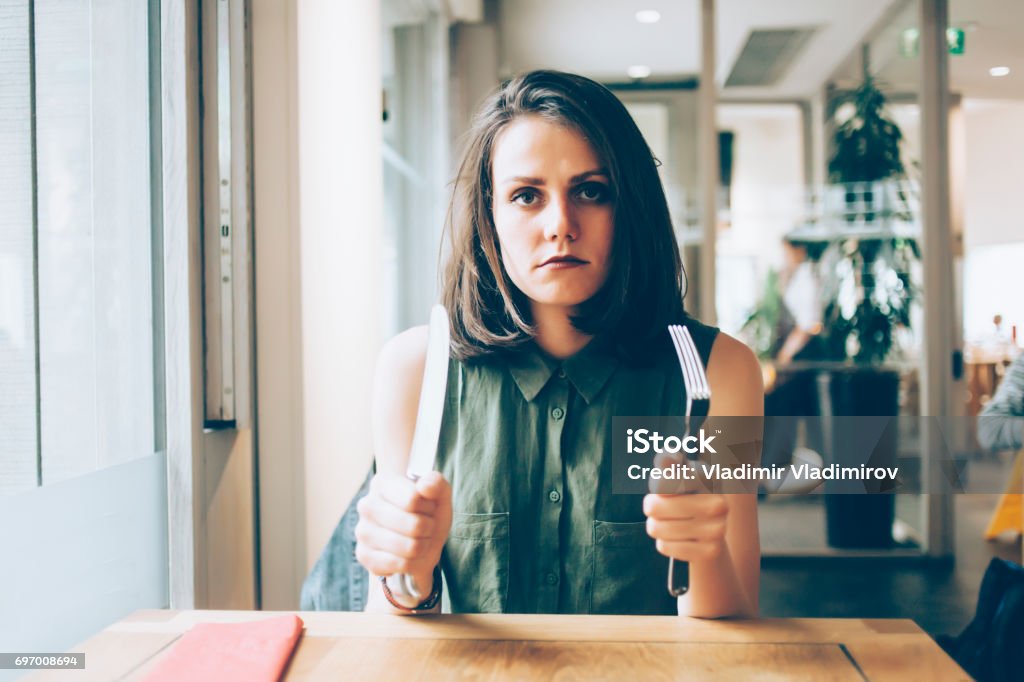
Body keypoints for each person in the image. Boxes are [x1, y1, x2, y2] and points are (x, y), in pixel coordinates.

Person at [355, 70, 762, 618]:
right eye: (526, 196)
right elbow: (389, 632)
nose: (561, 225)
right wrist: (408, 576)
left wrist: (703, 555)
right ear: (489, 216)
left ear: (631, 207)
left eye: (591, 192)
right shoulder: (415, 371)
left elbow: (740, 628)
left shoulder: (718, 373)